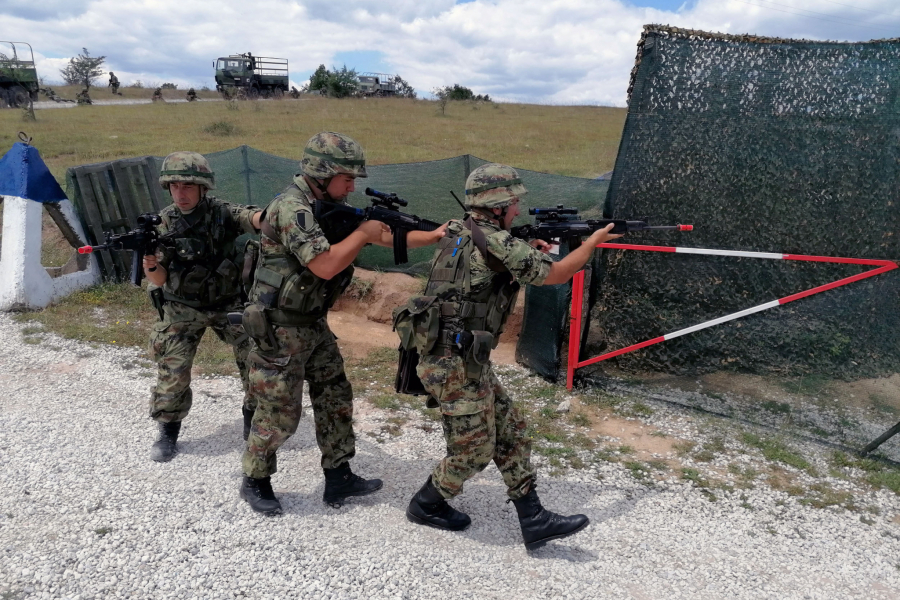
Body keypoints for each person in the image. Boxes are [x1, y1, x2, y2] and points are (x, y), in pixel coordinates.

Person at [398, 163, 623, 549]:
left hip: (461, 356)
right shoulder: (497, 241)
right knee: (472, 452)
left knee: (513, 431)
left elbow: (488, 266)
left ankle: (533, 519)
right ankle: (426, 504)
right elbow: (558, 273)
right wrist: (592, 243)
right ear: (497, 204)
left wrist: (523, 250)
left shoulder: (459, 230)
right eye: (513, 201)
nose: (518, 208)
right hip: (453, 362)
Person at [238, 132, 446, 515]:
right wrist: (364, 234)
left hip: (313, 323)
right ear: (321, 173)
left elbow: (383, 236)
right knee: (279, 410)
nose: (353, 186)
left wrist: (434, 236)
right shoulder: (293, 208)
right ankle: (256, 479)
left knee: (335, 398)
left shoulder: (326, 206)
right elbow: (326, 264)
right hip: (279, 329)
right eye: (347, 178)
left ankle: (339, 475)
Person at [142, 151, 265, 463]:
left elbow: (251, 217)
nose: (180, 193)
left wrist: (275, 215)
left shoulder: (221, 212)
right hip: (182, 307)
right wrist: (150, 264)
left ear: (202, 188)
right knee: (173, 369)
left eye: (187, 186)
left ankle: (252, 420)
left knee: (258, 358)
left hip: (227, 303)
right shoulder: (165, 222)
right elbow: (160, 277)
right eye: (174, 187)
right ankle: (168, 431)